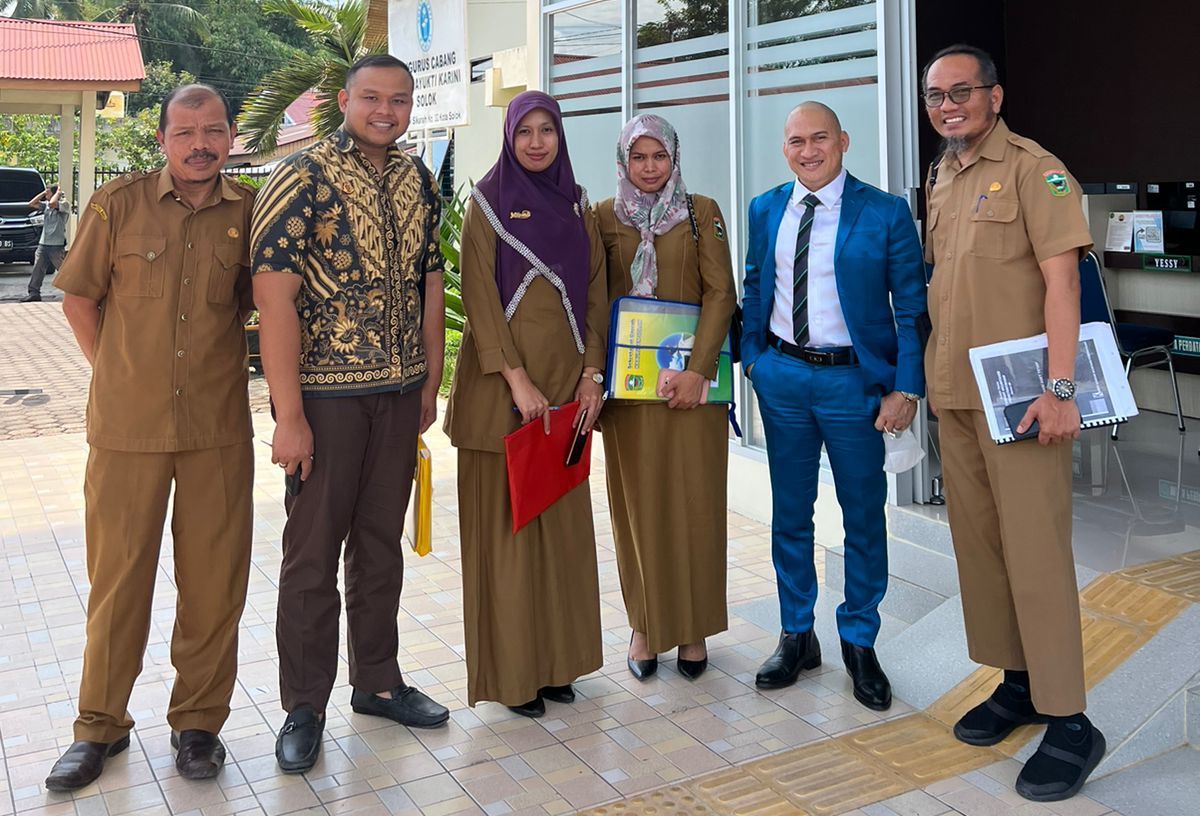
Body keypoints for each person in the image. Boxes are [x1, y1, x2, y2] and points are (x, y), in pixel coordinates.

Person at [45, 84, 256, 790]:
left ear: (230, 138)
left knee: (213, 586)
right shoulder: (118, 204)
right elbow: (78, 296)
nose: (200, 143)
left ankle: (198, 726)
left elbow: (272, 308)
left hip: (217, 432)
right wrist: (114, 371)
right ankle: (98, 726)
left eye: (214, 131)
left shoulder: (249, 213)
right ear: (162, 139)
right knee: (118, 583)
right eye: (185, 131)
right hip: (125, 431)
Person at [251, 54, 449, 773]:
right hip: (325, 401)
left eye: (399, 100)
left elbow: (431, 281)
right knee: (311, 555)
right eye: (372, 97)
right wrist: (288, 415)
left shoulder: (418, 177)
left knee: (380, 546)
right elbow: (272, 298)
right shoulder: (299, 176)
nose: (386, 111)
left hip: (398, 396)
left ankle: (379, 681)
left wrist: (429, 380)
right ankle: (304, 705)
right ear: (343, 99)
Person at [921, 44, 1104, 802]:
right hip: (959, 396)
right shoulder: (942, 175)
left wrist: (1062, 388)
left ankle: (1069, 721)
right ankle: (1020, 683)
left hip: (1027, 399)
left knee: (1034, 554)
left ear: (995, 96)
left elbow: (1064, 284)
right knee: (984, 551)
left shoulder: (1037, 168)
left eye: (962, 91)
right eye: (935, 95)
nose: (947, 104)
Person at [741, 102, 928, 711]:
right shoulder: (766, 208)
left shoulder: (885, 212)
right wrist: (754, 362)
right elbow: (753, 286)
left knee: (863, 515)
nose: (808, 150)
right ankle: (797, 633)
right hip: (785, 379)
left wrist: (907, 386)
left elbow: (911, 308)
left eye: (819, 138)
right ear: (785, 149)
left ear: (843, 141)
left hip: (855, 386)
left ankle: (859, 641)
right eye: (796, 141)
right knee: (790, 514)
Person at [443, 90, 607, 718]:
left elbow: (597, 297)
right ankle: (515, 677)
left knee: (559, 537)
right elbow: (481, 301)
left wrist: (591, 376)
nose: (537, 143)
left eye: (548, 131)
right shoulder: (486, 204)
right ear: (508, 137)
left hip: (566, 397)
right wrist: (516, 380)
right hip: (501, 401)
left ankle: (557, 664)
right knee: (507, 541)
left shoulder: (578, 205)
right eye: (525, 132)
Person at [593, 114, 736, 681]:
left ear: (674, 159)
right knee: (638, 511)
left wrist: (699, 370)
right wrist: (595, 379)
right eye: (639, 158)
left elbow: (720, 292)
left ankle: (694, 628)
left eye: (659, 157)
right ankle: (646, 626)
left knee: (696, 507)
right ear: (624, 161)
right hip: (632, 392)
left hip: (694, 391)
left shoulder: (702, 211)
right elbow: (593, 297)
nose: (650, 168)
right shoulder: (602, 216)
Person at [22, 183, 70, 302]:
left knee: (63, 271)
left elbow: (54, 203)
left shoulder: (64, 204)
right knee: (37, 269)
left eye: (48, 192)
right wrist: (44, 193)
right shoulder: (46, 206)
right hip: (43, 243)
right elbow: (31, 204)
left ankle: (74, 292)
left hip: (56, 245)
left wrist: (58, 193)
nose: (46, 195)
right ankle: (34, 293)